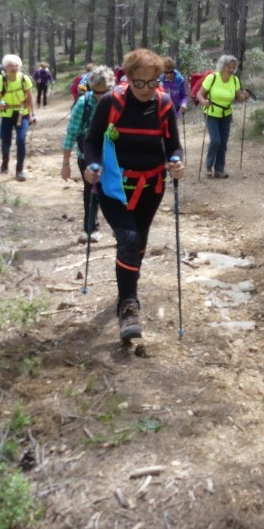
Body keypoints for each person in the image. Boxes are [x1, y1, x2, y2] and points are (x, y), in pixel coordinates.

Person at [83, 48, 185, 342]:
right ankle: (129, 306)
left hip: (151, 187)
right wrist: (91, 166)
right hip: (115, 188)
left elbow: (174, 146)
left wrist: (176, 162)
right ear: (127, 78)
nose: (145, 89)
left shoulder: (164, 105)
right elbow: (91, 143)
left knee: (138, 242)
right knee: (127, 238)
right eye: (138, 83)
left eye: (152, 82)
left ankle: (127, 288)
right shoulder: (111, 103)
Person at [62, 66, 114, 243]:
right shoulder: (83, 104)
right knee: (92, 189)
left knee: (116, 189)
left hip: (114, 152)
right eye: (96, 92)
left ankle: (119, 227)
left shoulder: (119, 102)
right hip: (87, 154)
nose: (100, 96)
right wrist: (65, 164)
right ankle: (90, 228)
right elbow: (71, 133)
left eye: (104, 92)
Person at [196, 54, 248, 178]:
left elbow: (239, 98)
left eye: (233, 68)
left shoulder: (234, 80)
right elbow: (199, 94)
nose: (231, 70)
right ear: (222, 66)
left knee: (223, 143)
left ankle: (219, 169)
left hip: (226, 114)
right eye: (228, 67)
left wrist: (244, 96)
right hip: (211, 113)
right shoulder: (212, 78)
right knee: (215, 141)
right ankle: (208, 167)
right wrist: (204, 102)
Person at [0, 54, 37, 181]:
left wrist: (32, 114)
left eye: (16, 65)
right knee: (6, 142)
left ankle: (19, 170)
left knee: (21, 140)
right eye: (10, 66)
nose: (14, 68)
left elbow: (30, 97)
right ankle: (5, 160)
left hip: (22, 114)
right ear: (5, 67)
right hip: (5, 114)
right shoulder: (1, 79)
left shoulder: (24, 78)